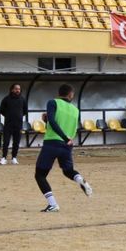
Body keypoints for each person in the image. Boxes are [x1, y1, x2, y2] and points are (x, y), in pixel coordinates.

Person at [35, 84, 93, 212]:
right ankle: (81, 180)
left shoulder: (53, 102)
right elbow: (72, 127)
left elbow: (53, 122)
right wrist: (67, 139)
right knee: (68, 171)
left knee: (40, 175)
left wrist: (48, 122)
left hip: (52, 143)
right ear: (70, 94)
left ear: (59, 93)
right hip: (67, 145)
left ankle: (53, 204)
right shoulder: (76, 110)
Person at [0, 83, 28, 165]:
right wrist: (9, 116)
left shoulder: (23, 99)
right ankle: (3, 158)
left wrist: (18, 116)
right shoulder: (6, 99)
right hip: (8, 124)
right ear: (12, 90)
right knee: (6, 142)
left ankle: (14, 157)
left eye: (19, 89)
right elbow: (1, 110)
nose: (17, 90)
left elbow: (25, 111)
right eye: (16, 89)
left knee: (16, 142)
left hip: (18, 124)